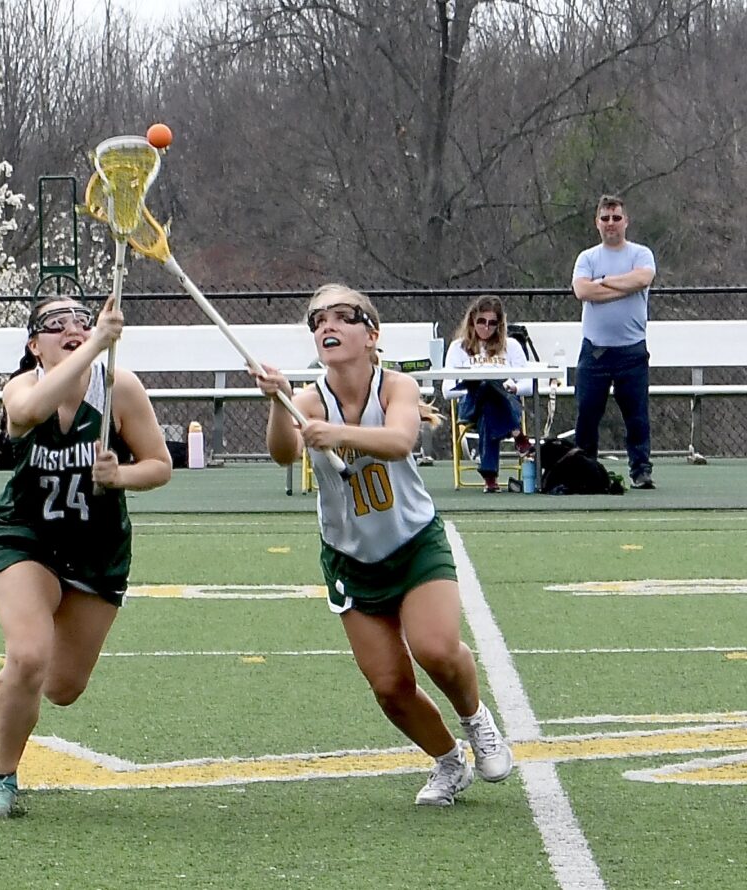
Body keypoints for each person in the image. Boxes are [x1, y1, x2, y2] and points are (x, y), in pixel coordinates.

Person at [252, 283, 513, 806]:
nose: (327, 325)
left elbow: (400, 441)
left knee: (435, 648)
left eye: (342, 316)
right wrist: (278, 403)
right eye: (318, 320)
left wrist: (337, 435)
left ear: (371, 335)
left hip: (413, 543)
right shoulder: (307, 401)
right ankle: (448, 762)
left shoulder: (396, 386)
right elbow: (282, 453)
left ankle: (475, 719)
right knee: (390, 686)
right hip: (350, 557)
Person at [0, 295, 172, 818]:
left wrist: (120, 475)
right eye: (55, 324)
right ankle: (2, 777)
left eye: (81, 321)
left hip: (97, 550)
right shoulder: (22, 387)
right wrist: (97, 344)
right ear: (33, 345)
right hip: (26, 538)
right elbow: (27, 413)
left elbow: (159, 465)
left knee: (62, 688)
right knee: (28, 656)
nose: (72, 328)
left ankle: (19, 686)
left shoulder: (120, 389)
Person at [572, 194, 657, 489]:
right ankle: (585, 470)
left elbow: (642, 279)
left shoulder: (641, 254)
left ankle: (641, 470)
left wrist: (604, 281)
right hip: (594, 352)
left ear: (626, 221)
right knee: (587, 415)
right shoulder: (587, 258)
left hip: (632, 351)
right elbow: (583, 291)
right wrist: (623, 285)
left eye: (616, 218)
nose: (611, 223)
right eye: (605, 218)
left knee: (636, 417)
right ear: (597, 222)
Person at [442, 296, 534, 493]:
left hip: (504, 402)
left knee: (489, 409)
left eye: (492, 323)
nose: (486, 327)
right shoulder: (458, 347)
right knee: (484, 385)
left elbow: (528, 384)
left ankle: (490, 478)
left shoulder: (511, 346)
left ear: (499, 325)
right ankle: (517, 434)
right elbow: (447, 390)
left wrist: (513, 387)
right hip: (470, 406)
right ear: (472, 321)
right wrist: (471, 385)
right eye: (481, 321)